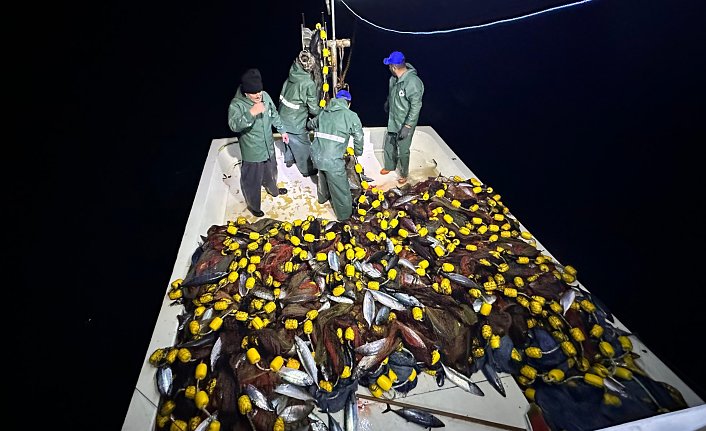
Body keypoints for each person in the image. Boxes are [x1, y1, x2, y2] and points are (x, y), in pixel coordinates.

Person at [227, 68, 290, 218]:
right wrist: (251, 113)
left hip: (268, 147)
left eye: (259, 92)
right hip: (252, 152)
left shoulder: (265, 96)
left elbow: (273, 114)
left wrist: (282, 130)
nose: (258, 95)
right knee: (252, 181)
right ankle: (253, 205)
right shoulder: (236, 105)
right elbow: (234, 125)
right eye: (254, 93)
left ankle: (273, 189)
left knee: (271, 171)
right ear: (246, 92)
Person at [309, 89, 364, 221]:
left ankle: (323, 198)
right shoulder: (351, 116)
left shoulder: (323, 113)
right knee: (341, 189)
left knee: (322, 175)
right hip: (332, 160)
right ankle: (344, 216)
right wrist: (358, 152)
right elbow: (359, 136)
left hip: (316, 156)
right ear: (348, 103)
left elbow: (310, 124)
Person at [380, 50, 424, 185]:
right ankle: (389, 166)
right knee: (389, 144)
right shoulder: (393, 79)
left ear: (393, 67)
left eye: (389, 65)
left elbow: (416, 106)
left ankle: (404, 174)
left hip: (405, 122)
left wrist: (408, 126)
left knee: (403, 150)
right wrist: (388, 102)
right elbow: (393, 95)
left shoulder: (413, 82)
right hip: (393, 120)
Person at [278, 51, 321, 177]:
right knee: (302, 144)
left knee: (287, 140)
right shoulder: (308, 83)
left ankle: (289, 159)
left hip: (281, 116)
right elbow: (313, 109)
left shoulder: (292, 74)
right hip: (295, 122)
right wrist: (323, 113)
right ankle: (307, 169)